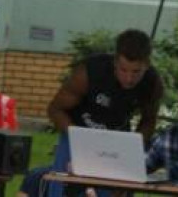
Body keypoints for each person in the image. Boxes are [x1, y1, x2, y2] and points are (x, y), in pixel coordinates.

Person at [18, 29, 164, 197]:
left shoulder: (152, 83)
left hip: (117, 139)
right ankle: (40, 180)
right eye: (123, 70)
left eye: (136, 72)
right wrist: (79, 137)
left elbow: (148, 120)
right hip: (77, 131)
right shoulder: (89, 73)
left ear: (146, 64)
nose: (129, 78)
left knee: (114, 190)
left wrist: (134, 148)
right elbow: (55, 109)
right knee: (63, 187)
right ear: (115, 62)